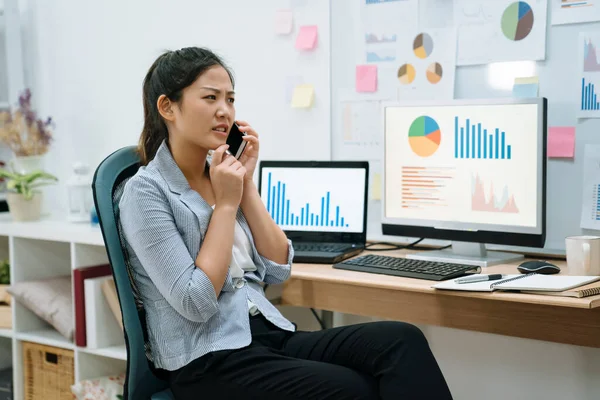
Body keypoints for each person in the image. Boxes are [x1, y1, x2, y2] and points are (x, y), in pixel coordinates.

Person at [119, 46, 453, 400]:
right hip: (208, 359)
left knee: (402, 341)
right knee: (354, 389)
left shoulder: (223, 175)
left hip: (267, 334)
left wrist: (246, 185)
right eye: (210, 97)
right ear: (167, 107)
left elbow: (279, 267)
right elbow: (196, 302)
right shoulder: (144, 192)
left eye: (230, 99)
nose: (225, 111)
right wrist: (226, 205)